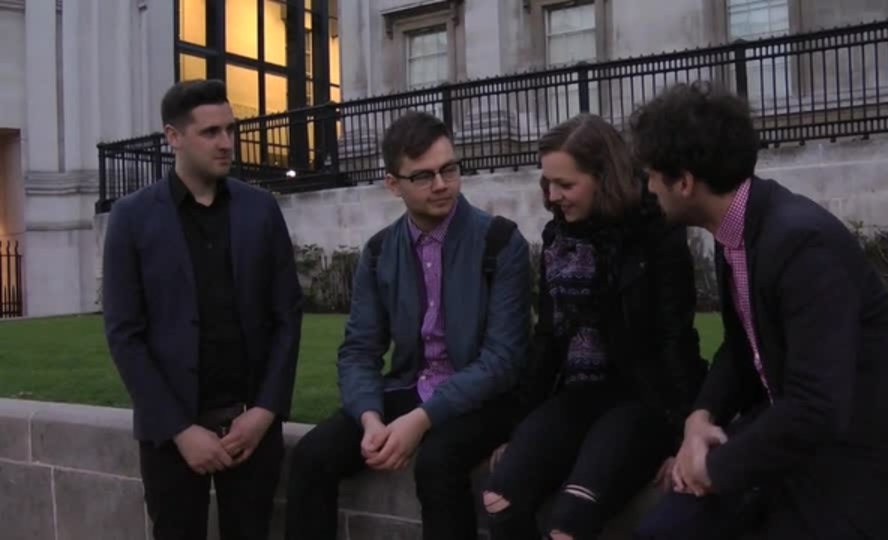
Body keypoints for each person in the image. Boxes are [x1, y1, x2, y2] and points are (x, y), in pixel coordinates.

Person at [629, 81, 888, 540]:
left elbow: (818, 406)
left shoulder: (801, 243)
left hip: (867, 462)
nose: (647, 187)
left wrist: (713, 468)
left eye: (650, 175)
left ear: (684, 183)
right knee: (662, 531)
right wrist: (701, 417)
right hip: (790, 443)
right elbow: (743, 348)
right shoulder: (739, 229)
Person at [284, 110, 532, 540]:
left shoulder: (500, 241)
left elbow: (502, 360)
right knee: (311, 456)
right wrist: (369, 418)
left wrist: (421, 420)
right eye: (423, 176)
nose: (441, 184)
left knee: (438, 462)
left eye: (449, 169)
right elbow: (359, 350)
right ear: (393, 184)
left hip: (485, 398)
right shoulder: (380, 251)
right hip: (411, 386)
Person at [481, 113, 708, 540]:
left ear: (604, 179)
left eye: (565, 185)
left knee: (568, 523)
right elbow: (547, 337)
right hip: (576, 394)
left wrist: (685, 434)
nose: (553, 196)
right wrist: (521, 428)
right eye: (547, 183)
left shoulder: (655, 233)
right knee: (500, 498)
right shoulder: (558, 237)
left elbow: (675, 337)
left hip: (641, 398)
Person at [101, 79, 304, 540]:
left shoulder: (261, 209)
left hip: (252, 429)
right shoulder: (132, 217)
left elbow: (287, 317)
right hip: (172, 436)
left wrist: (265, 411)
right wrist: (179, 430)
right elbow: (124, 334)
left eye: (230, 129)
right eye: (210, 132)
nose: (226, 142)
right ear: (173, 137)